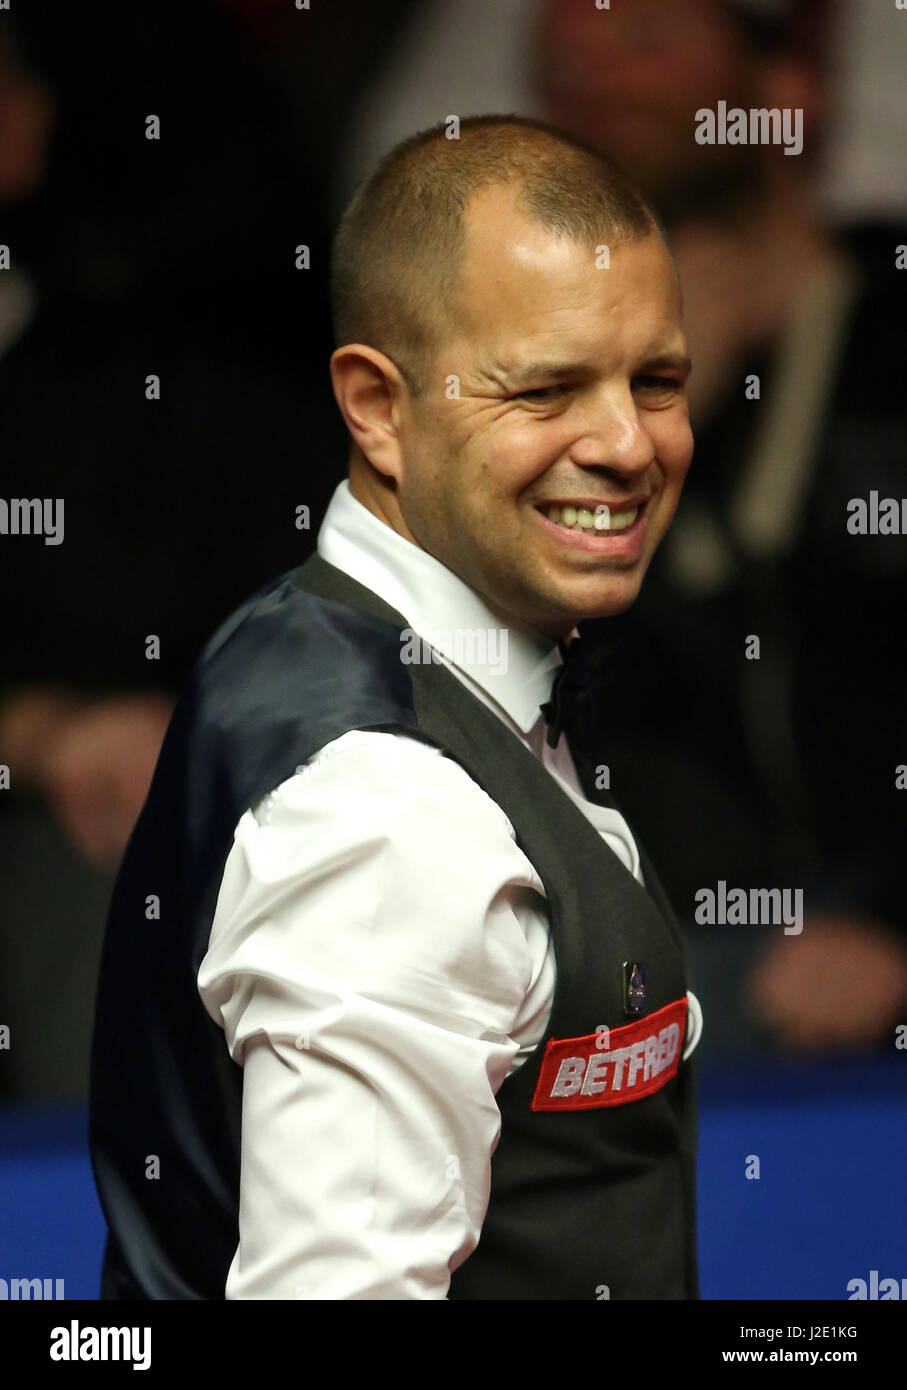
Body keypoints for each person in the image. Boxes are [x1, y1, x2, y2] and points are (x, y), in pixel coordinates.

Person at [89, 115, 703, 1301]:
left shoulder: (339, 643)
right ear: (377, 406)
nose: (628, 442)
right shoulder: (385, 812)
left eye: (657, 379)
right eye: (546, 388)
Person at [535, 0, 907, 1058]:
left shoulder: (887, 332)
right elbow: (459, 698)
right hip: (662, 947)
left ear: (788, 92)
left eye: (645, 45)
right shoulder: (512, 400)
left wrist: (893, 922)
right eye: (561, 69)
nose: (596, 89)